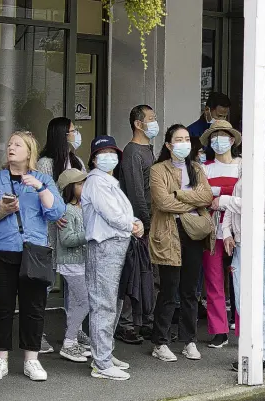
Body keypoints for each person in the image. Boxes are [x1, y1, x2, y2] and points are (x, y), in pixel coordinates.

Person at [0, 131, 66, 382]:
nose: (11, 148)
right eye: (9, 144)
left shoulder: (42, 179)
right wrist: (2, 211)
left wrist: (40, 188)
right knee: (0, 306)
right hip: (0, 251)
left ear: (29, 152)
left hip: (34, 252)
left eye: (17, 145)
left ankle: (32, 360)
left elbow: (56, 211)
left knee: (34, 308)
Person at [224, 119, 265, 371]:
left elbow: (254, 204)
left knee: (256, 298)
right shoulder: (256, 166)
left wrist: (225, 201)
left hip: (262, 238)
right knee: (246, 298)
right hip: (246, 239)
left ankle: (259, 352)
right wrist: (227, 229)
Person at [149, 124, 213, 362]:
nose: (184, 143)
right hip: (168, 232)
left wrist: (179, 194)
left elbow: (207, 196)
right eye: (179, 139)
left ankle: (189, 340)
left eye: (187, 139)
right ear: (168, 144)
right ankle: (160, 341)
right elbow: (163, 202)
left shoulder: (196, 168)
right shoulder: (158, 170)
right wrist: (193, 203)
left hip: (193, 233)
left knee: (190, 290)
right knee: (169, 288)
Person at [83, 136, 143, 380]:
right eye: (103, 153)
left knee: (114, 302)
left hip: (117, 245)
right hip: (104, 245)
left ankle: (105, 353)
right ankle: (101, 362)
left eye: (112, 152)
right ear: (94, 158)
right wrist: (134, 224)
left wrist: (133, 223)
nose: (109, 157)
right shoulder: (96, 182)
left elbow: (122, 214)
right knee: (104, 303)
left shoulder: (108, 181)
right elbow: (112, 215)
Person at [35, 116, 88, 353]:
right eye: (72, 131)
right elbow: (43, 194)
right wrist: (55, 214)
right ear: (60, 135)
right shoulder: (46, 163)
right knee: (44, 285)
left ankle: (74, 330)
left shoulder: (76, 160)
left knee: (76, 287)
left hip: (72, 233)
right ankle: (36, 333)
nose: (76, 134)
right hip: (49, 233)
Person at [117, 104, 158, 345]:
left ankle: (144, 322)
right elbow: (135, 193)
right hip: (138, 224)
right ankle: (127, 324)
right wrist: (145, 221)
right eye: (151, 119)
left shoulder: (149, 150)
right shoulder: (132, 152)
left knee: (148, 274)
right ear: (138, 123)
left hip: (150, 222)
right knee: (133, 273)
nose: (154, 122)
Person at [199, 120, 242, 348]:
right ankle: (219, 330)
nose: (218, 141)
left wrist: (221, 199)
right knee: (214, 280)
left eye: (223, 135)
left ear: (232, 140)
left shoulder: (243, 166)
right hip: (213, 229)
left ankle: (244, 327)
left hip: (239, 229)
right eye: (214, 137)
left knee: (241, 280)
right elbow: (200, 198)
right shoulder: (204, 168)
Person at [55, 169, 92, 363]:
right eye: (80, 184)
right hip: (71, 264)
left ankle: (74, 339)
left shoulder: (81, 208)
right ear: (70, 188)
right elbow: (67, 239)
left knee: (77, 302)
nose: (84, 187)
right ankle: (69, 342)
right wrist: (88, 234)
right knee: (85, 301)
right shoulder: (67, 210)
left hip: (80, 263)